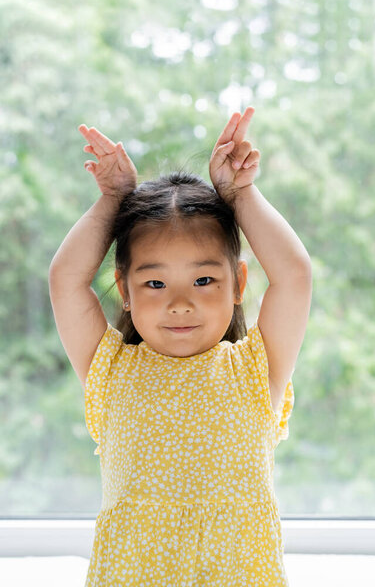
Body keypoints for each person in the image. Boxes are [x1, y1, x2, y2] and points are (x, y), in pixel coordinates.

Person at [48, 106, 313, 586]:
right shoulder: (109, 370)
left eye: (204, 279)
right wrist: (113, 198)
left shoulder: (256, 370)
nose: (180, 304)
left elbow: (294, 276)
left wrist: (241, 194)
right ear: (124, 292)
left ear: (237, 285)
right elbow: (66, 279)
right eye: (154, 285)